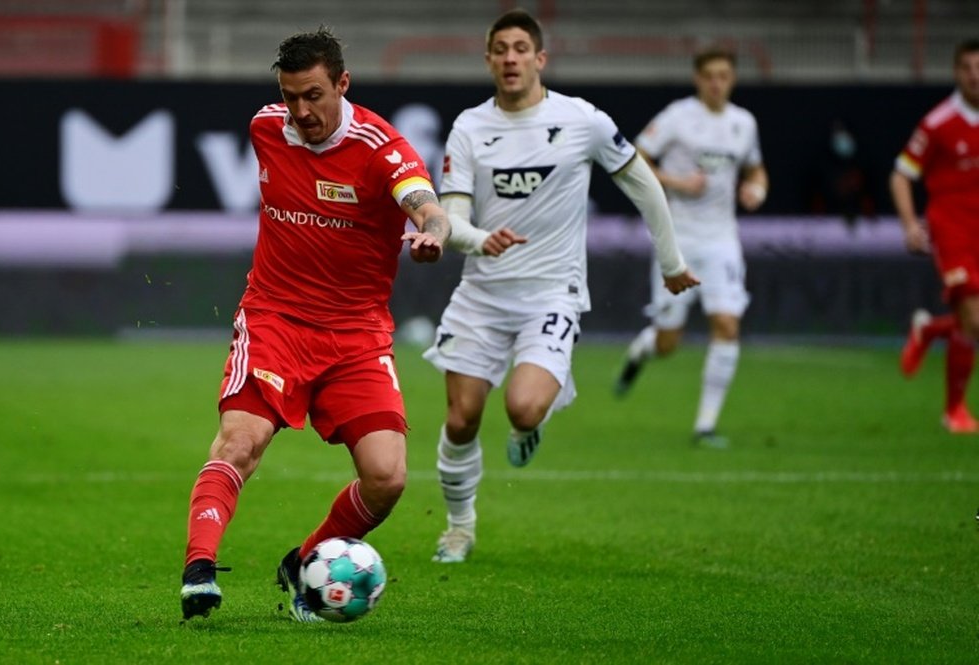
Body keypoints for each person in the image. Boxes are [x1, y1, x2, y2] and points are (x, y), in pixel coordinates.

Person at [178, 27, 450, 622]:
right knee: (240, 442)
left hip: (356, 335)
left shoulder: (383, 147)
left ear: (342, 84)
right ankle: (199, 571)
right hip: (275, 320)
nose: (302, 112)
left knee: (387, 478)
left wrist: (432, 231)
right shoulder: (265, 128)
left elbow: (425, 202)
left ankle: (304, 563)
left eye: (314, 95)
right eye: (291, 96)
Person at [423, 9, 698, 564]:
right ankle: (459, 527)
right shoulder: (470, 128)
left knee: (522, 410)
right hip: (482, 294)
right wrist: (480, 240)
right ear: (488, 60)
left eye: (521, 47)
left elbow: (644, 186)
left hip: (551, 293)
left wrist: (671, 263)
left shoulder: (583, 121)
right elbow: (450, 218)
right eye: (500, 48)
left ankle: (534, 419)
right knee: (461, 418)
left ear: (539, 58)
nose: (510, 58)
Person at [613, 46, 768, 449]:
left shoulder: (743, 123)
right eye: (710, 75)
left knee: (727, 324)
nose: (717, 83)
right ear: (698, 78)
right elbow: (633, 158)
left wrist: (757, 188)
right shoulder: (677, 118)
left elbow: (754, 167)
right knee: (669, 342)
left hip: (722, 241)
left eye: (724, 75)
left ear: (732, 79)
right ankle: (641, 351)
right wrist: (679, 183)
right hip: (677, 237)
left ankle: (705, 425)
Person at [891, 38, 979, 434]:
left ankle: (929, 329)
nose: (975, 76)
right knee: (974, 318)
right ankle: (954, 411)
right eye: (967, 68)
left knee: (972, 321)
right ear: (956, 72)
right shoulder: (938, 122)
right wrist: (911, 224)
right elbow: (901, 175)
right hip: (952, 228)